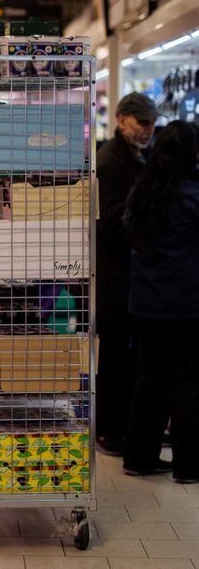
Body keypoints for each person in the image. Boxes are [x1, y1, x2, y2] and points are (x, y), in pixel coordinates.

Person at [122, 120, 199, 483]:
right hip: (185, 302)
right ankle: (188, 465)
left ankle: (139, 457)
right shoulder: (192, 194)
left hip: (145, 302)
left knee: (149, 379)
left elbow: (128, 233)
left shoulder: (141, 192)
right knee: (186, 382)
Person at [95, 92, 157, 456]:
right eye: (142, 122)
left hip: (135, 277)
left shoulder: (138, 158)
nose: (149, 129)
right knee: (115, 359)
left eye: (152, 122)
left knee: (131, 359)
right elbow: (113, 223)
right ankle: (107, 430)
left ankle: (124, 425)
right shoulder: (110, 162)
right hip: (115, 279)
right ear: (121, 120)